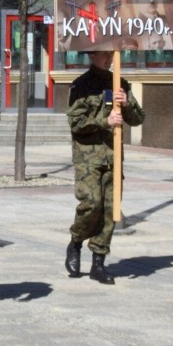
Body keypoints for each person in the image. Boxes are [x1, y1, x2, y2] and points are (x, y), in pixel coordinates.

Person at [64, 50, 145, 285]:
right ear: (91, 55)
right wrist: (104, 121)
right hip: (88, 157)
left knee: (111, 209)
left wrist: (126, 104)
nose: (108, 59)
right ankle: (76, 241)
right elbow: (76, 123)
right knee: (91, 204)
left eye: (111, 54)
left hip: (113, 155)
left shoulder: (120, 83)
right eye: (103, 55)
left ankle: (98, 262)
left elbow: (139, 119)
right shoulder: (81, 85)